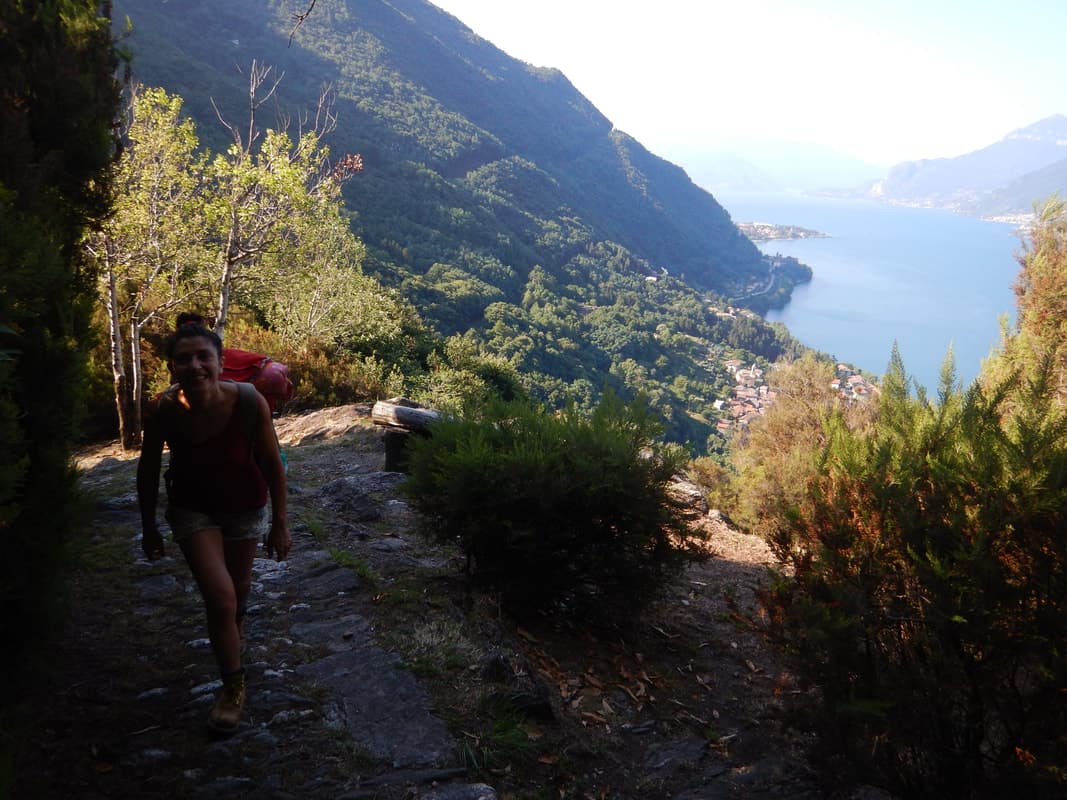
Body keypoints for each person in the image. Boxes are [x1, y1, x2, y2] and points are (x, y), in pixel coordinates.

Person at [137, 314, 291, 734]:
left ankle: (231, 640)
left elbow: (272, 463)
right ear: (172, 367)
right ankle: (233, 687)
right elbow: (148, 470)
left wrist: (280, 522)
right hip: (192, 509)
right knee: (221, 599)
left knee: (237, 596)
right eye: (184, 359)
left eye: (204, 357)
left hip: (244, 506)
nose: (195, 366)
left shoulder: (249, 402)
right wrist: (149, 525)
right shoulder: (163, 410)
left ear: (221, 363)